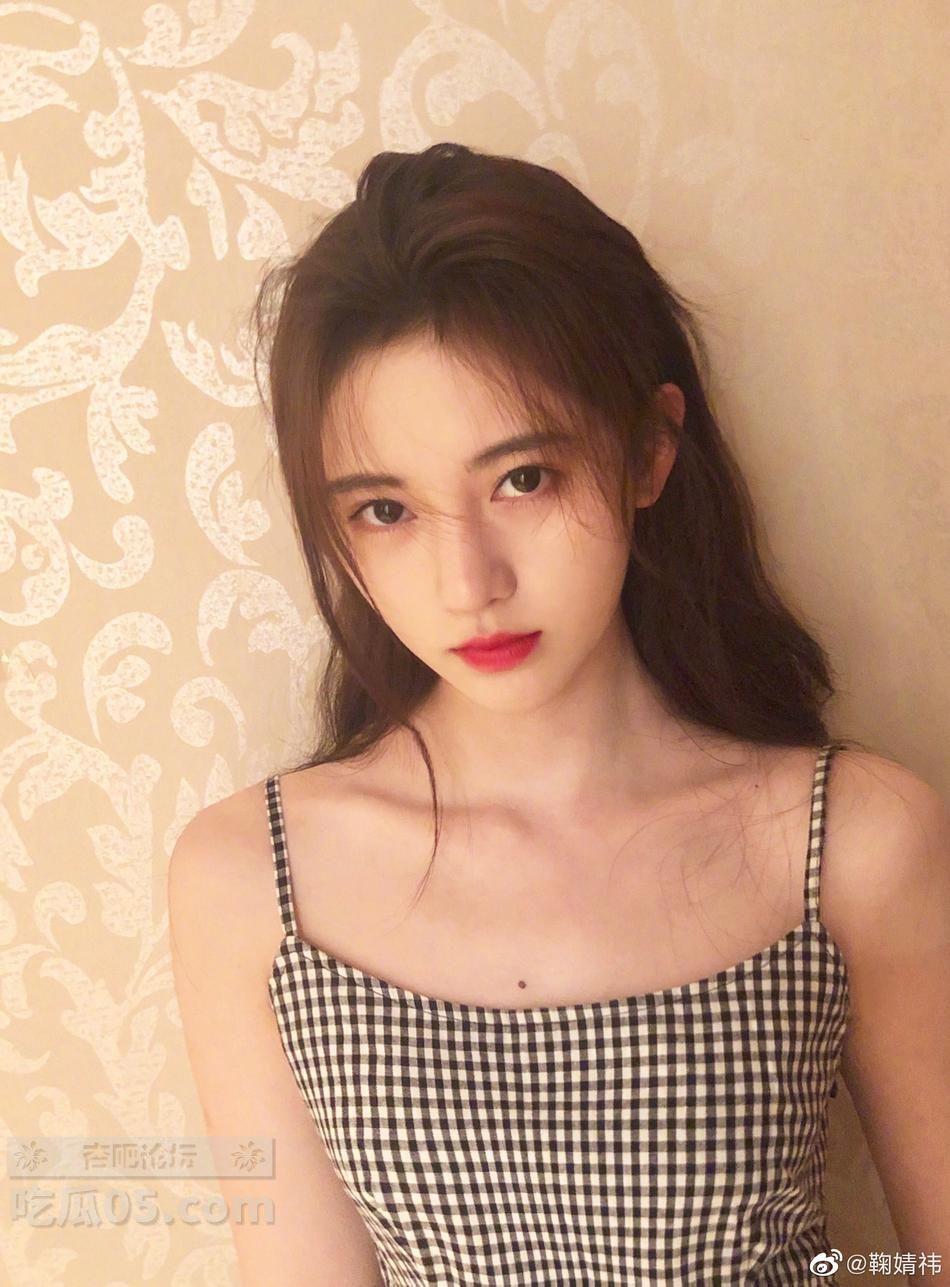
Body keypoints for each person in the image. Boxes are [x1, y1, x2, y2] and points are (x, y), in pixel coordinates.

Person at [168, 143, 950, 1285]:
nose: (468, 582)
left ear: (647, 451)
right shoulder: (248, 879)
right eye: (386, 509)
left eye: (522, 479)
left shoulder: (851, 841)